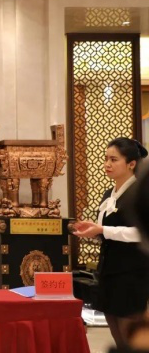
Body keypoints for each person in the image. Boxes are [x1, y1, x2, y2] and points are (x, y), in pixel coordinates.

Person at [73, 138, 149, 349]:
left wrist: (103, 230)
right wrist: (93, 231)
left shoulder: (139, 193)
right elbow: (106, 230)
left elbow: (140, 233)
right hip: (108, 270)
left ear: (131, 164)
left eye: (114, 160)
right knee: (115, 330)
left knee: (130, 335)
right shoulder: (109, 194)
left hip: (132, 272)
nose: (107, 164)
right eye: (106, 158)